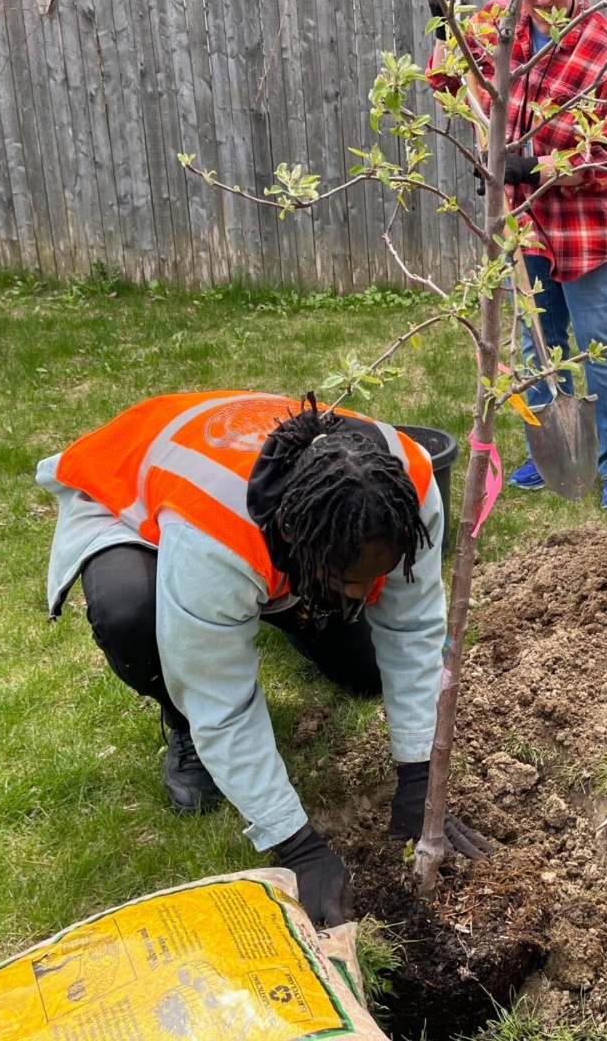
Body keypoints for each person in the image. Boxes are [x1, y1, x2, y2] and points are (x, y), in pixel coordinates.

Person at [37, 392, 486, 927]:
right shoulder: (214, 538)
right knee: (132, 613)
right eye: (352, 580)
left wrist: (418, 780)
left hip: (284, 537)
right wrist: (296, 846)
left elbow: (413, 627)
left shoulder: (406, 483)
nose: (371, 592)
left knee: (365, 671)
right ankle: (182, 725)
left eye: (379, 574)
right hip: (134, 510)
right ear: (297, 540)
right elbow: (221, 702)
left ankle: (298, 609)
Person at [426, 0, 607, 511]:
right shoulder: (499, 24)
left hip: (595, 218)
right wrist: (444, 27)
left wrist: (532, 164)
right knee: (535, 340)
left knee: (601, 341)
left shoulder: (605, 43)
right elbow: (454, 83)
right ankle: (541, 452)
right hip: (525, 218)